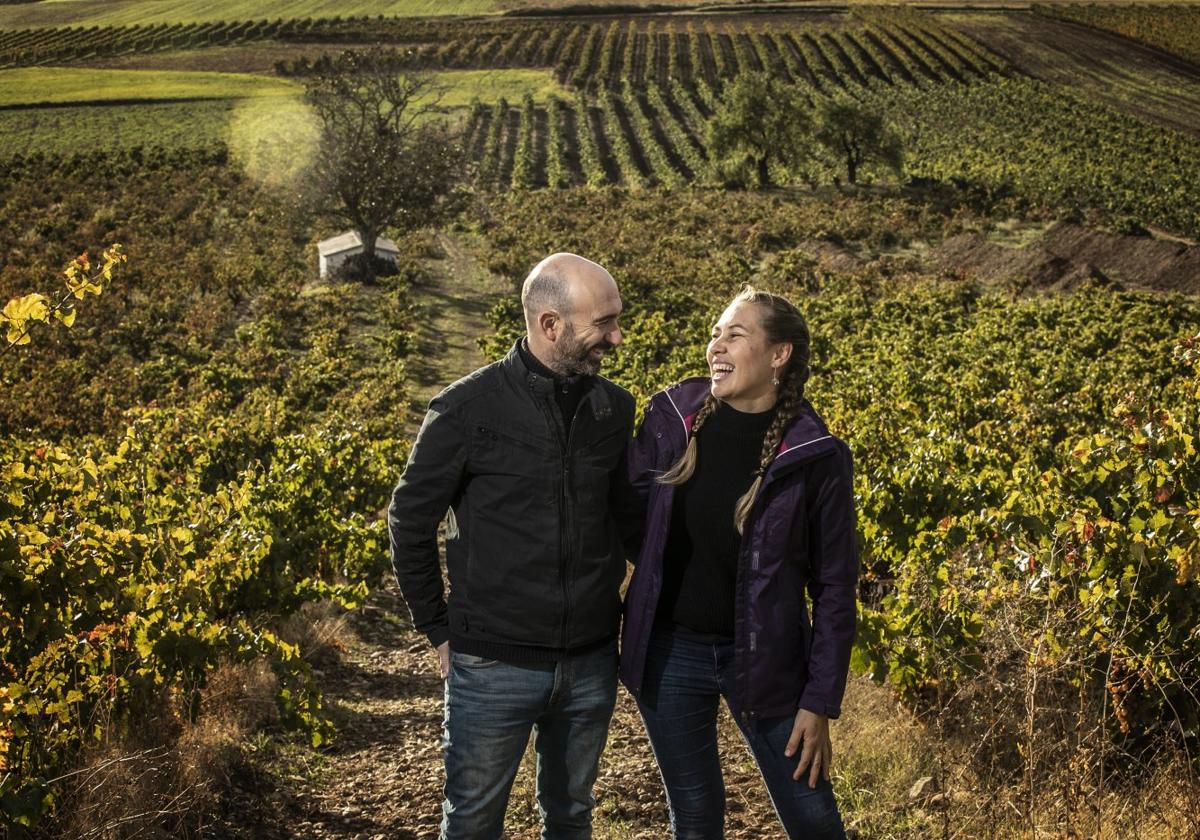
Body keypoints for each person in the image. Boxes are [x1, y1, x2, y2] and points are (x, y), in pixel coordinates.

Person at [388, 253, 636, 840]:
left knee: (572, 816)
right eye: (603, 323)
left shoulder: (613, 409)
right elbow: (409, 519)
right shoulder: (464, 410)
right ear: (550, 325)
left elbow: (631, 522)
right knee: (474, 822)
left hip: (590, 661)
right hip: (492, 665)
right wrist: (438, 629)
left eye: (617, 319)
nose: (616, 337)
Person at [620, 286, 857, 839]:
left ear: (779, 355)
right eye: (715, 333)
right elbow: (630, 516)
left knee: (815, 821)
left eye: (735, 334)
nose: (716, 345)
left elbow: (836, 587)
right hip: (670, 653)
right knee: (696, 820)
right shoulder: (672, 420)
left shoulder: (815, 455)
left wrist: (818, 701)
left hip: (771, 664)